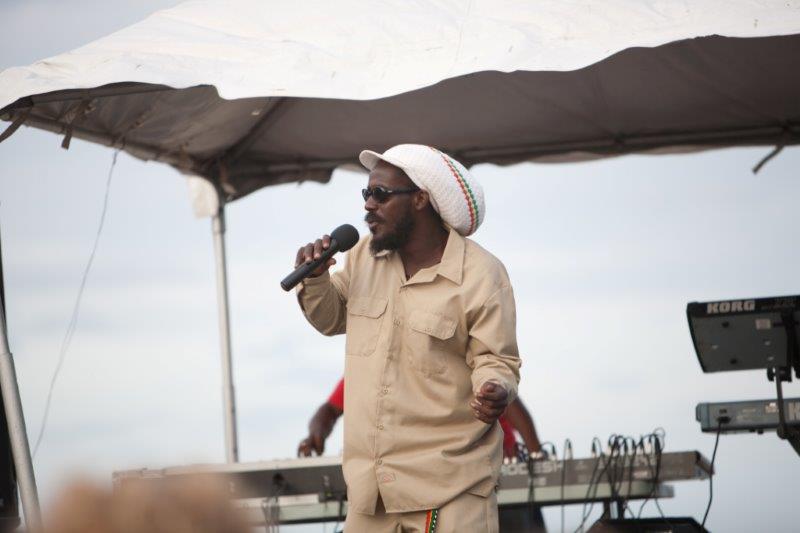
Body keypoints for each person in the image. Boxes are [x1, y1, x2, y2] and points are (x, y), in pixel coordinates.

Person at [293, 144, 521, 532]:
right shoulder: (363, 256)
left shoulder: (482, 274)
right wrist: (315, 279)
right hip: (372, 492)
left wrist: (494, 387)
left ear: (420, 199)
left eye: (380, 194)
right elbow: (330, 319)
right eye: (366, 193)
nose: (368, 205)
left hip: (449, 488)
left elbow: (496, 360)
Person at [298, 378, 547, 532]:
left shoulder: (450, 353)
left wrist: (536, 454)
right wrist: (315, 435)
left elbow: (508, 400)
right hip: (428, 480)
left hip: (488, 469)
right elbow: (329, 409)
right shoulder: (374, 372)